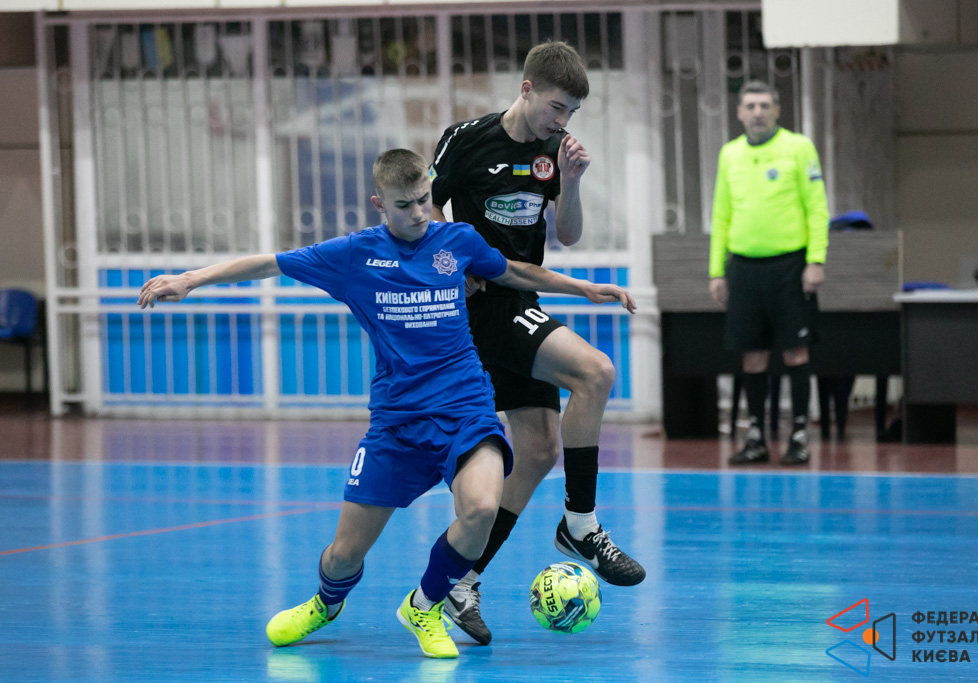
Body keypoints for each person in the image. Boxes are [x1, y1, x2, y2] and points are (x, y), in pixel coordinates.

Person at [136, 149, 636, 658]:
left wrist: (583, 288)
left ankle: (424, 605)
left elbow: (515, 273)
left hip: (466, 411)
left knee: (482, 507)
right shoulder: (354, 256)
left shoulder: (457, 240)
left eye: (423, 200)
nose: (418, 213)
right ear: (379, 203)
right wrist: (189, 279)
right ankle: (326, 603)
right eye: (404, 205)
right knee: (342, 556)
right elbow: (270, 262)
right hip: (397, 424)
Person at [429, 40, 646, 645]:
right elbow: (426, 211)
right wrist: (457, 261)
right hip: (485, 309)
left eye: (572, 112)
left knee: (540, 451)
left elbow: (567, 235)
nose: (563, 121)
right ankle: (580, 524)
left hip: (523, 300)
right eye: (556, 108)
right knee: (595, 372)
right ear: (526, 90)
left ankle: (460, 581)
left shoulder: (555, 153)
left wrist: (571, 183)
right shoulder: (466, 140)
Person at [708, 80, 829, 466]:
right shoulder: (730, 154)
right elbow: (721, 214)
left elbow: (817, 208)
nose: (757, 112)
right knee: (752, 356)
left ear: (777, 110)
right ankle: (756, 436)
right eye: (750, 106)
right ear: (739, 113)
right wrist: (716, 271)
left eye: (764, 105)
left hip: (790, 267)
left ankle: (799, 436)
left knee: (796, 351)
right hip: (743, 269)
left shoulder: (799, 147)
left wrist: (816, 260)